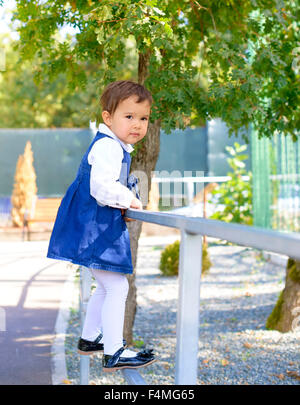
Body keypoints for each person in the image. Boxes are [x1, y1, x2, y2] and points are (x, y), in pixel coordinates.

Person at [47, 80, 156, 372]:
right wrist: (130, 200)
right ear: (108, 117)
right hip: (94, 226)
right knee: (117, 286)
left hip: (92, 224)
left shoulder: (114, 145)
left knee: (107, 286)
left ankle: (89, 338)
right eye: (129, 116)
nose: (137, 124)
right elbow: (101, 187)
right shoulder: (108, 147)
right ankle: (114, 350)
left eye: (143, 118)